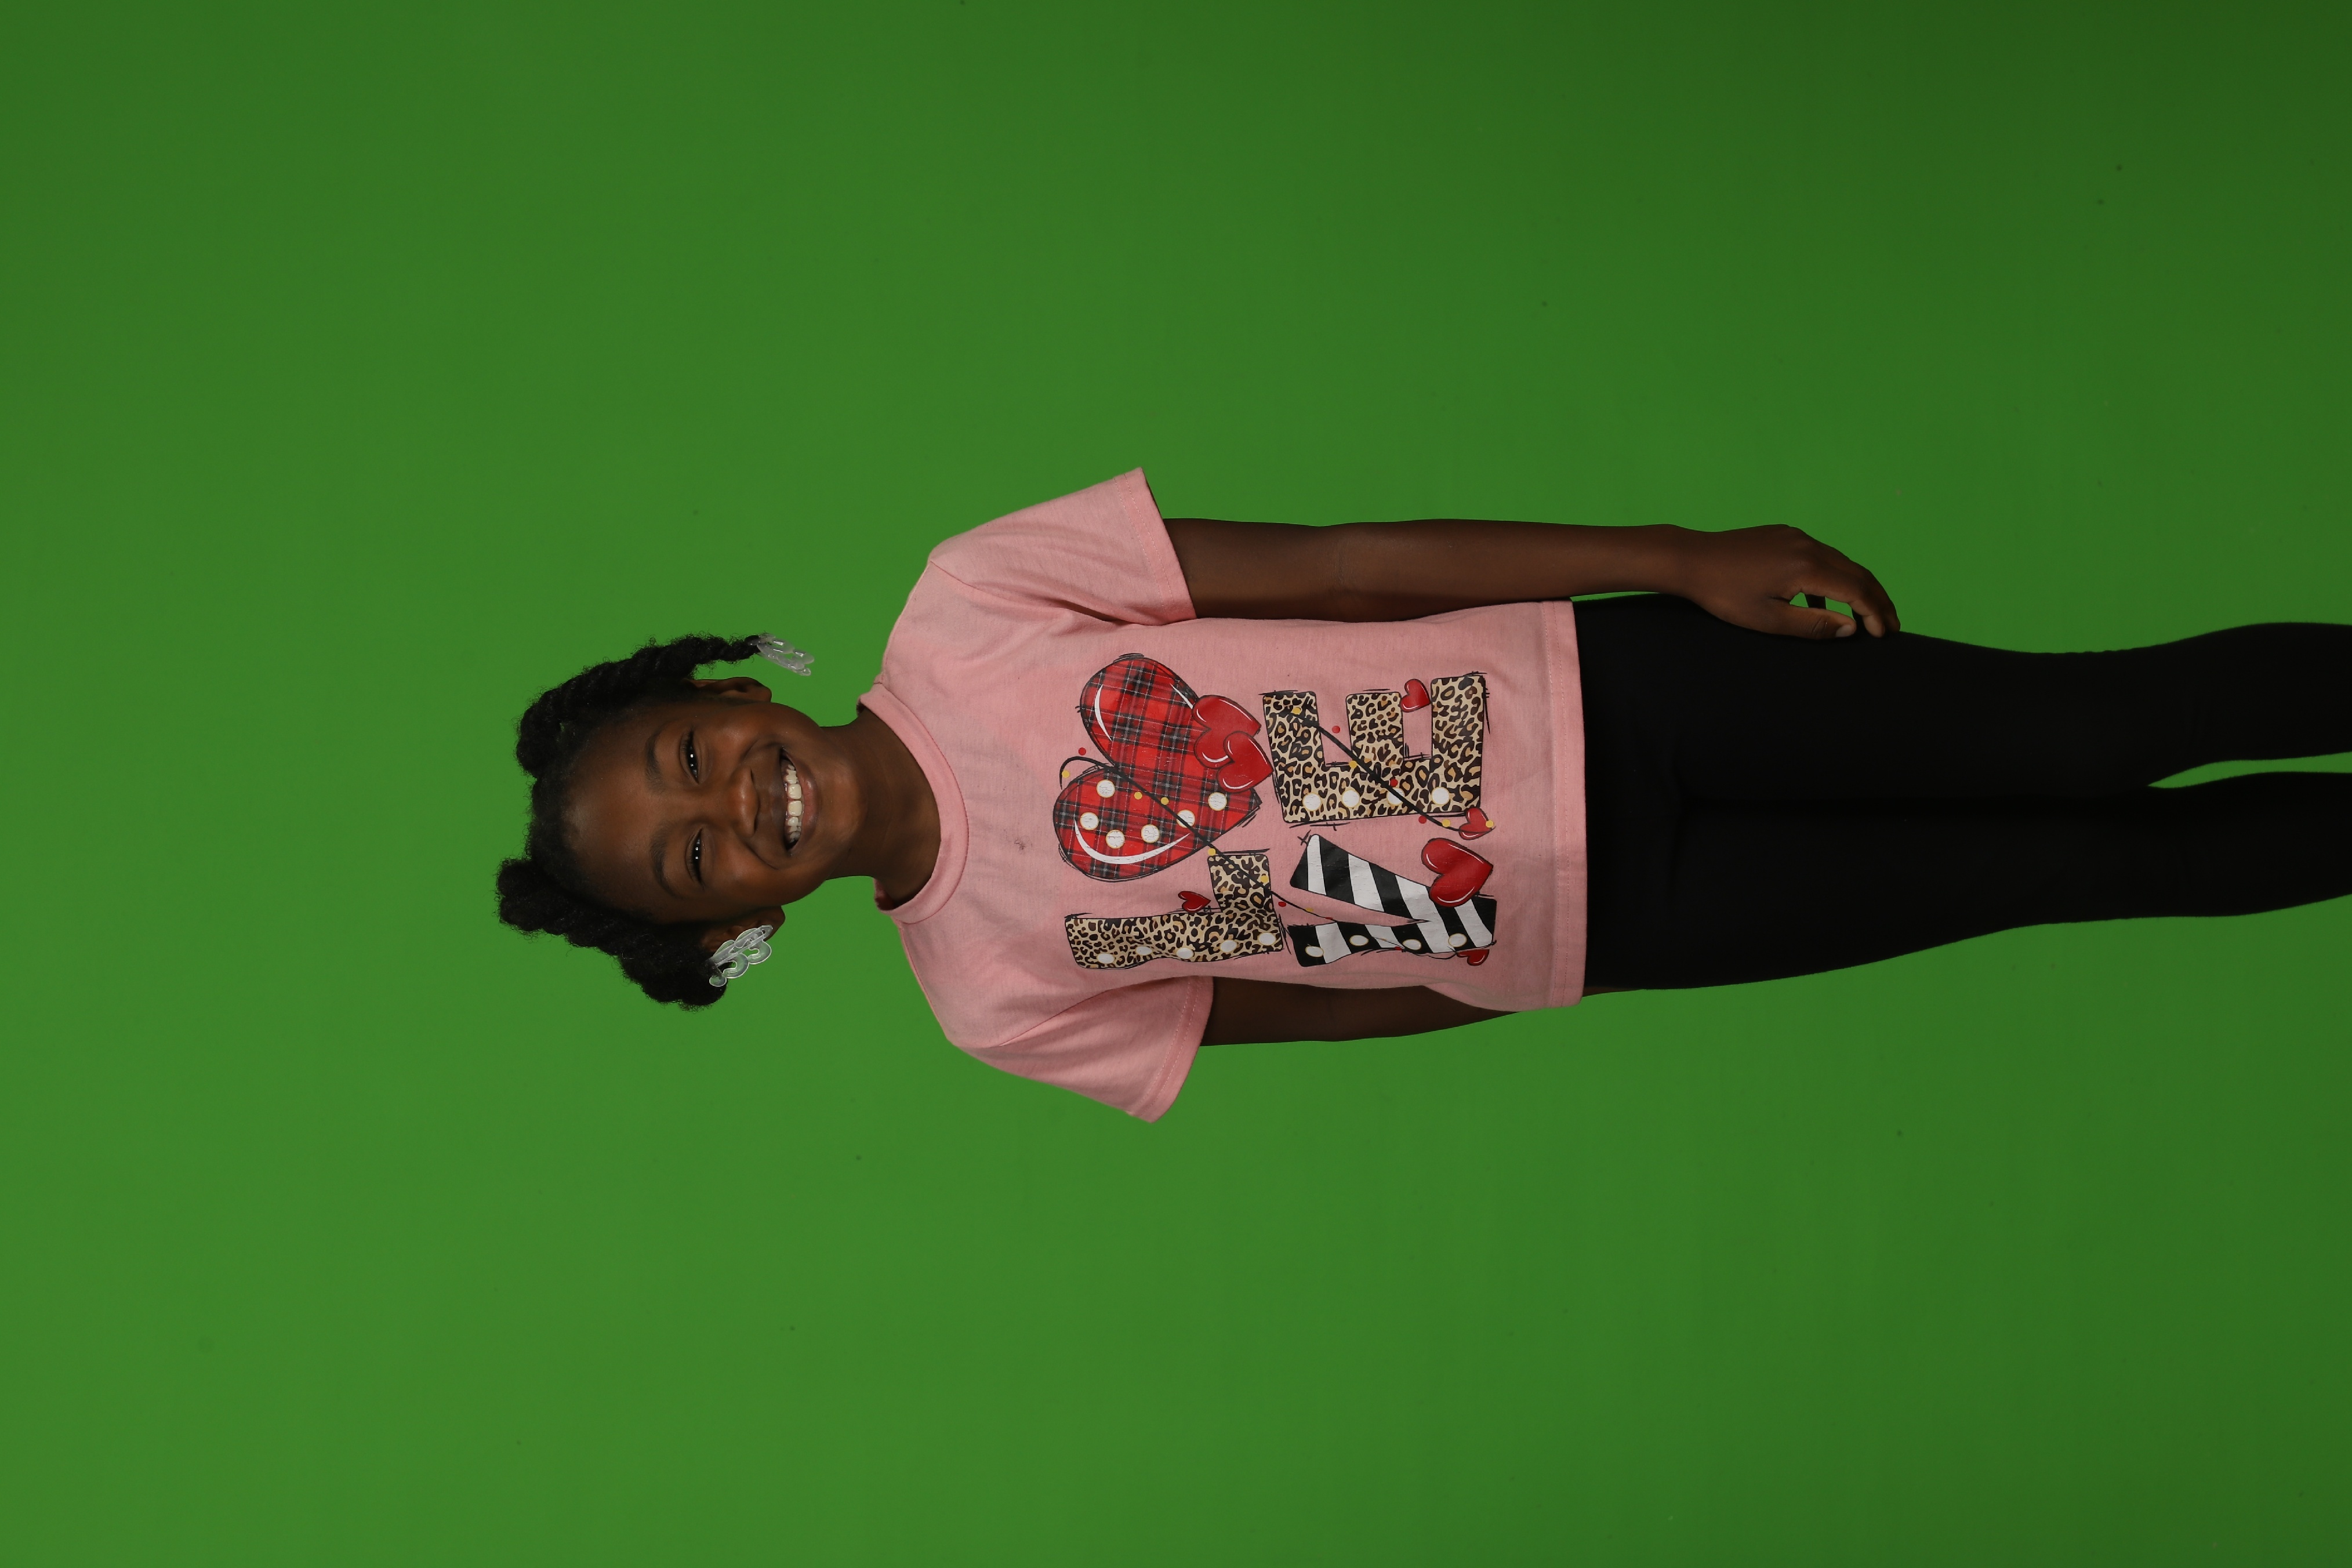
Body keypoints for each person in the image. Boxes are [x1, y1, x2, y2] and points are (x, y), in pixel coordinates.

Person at [495, 471, 2352, 1119]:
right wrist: (1516, 963)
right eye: (694, 863)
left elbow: (1344, 568)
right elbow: (1299, 1010)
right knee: (2075, 868)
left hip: (1629, 696)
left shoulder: (974, 597)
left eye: (689, 758)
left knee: (2089, 732)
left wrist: (1674, 558)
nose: (732, 809)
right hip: (1626, 922)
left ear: (732, 692)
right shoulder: (992, 1001)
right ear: (737, 925)